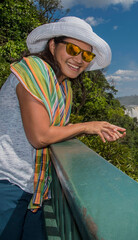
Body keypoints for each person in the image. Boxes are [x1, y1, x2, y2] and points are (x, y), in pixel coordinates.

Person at [0, 16, 126, 239]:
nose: (79, 59)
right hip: (7, 184)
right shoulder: (33, 70)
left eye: (86, 55)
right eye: (72, 49)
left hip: (35, 190)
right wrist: (87, 126)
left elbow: (58, 134)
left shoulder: (63, 88)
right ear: (52, 44)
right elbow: (40, 136)